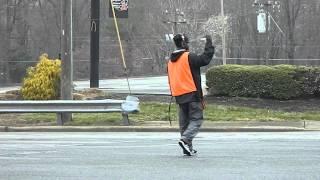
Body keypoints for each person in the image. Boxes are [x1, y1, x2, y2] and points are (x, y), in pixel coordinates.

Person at [167, 34, 215, 156]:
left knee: (184, 123)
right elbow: (205, 59)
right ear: (184, 44)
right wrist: (209, 43)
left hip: (179, 96)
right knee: (196, 120)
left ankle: (187, 146)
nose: (188, 45)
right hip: (192, 94)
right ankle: (185, 140)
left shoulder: (170, 61)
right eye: (187, 43)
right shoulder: (188, 57)